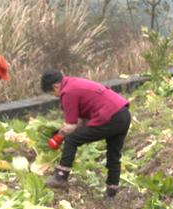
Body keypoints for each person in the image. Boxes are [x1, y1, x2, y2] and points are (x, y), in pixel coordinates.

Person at [41, 70, 131, 199]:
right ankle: (111, 194)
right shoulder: (74, 83)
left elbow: (71, 125)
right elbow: (80, 121)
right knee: (113, 156)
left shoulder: (67, 92)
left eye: (52, 93)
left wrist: (58, 137)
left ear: (55, 86)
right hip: (123, 114)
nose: (55, 96)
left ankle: (61, 176)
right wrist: (63, 131)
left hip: (109, 117)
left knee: (71, 139)